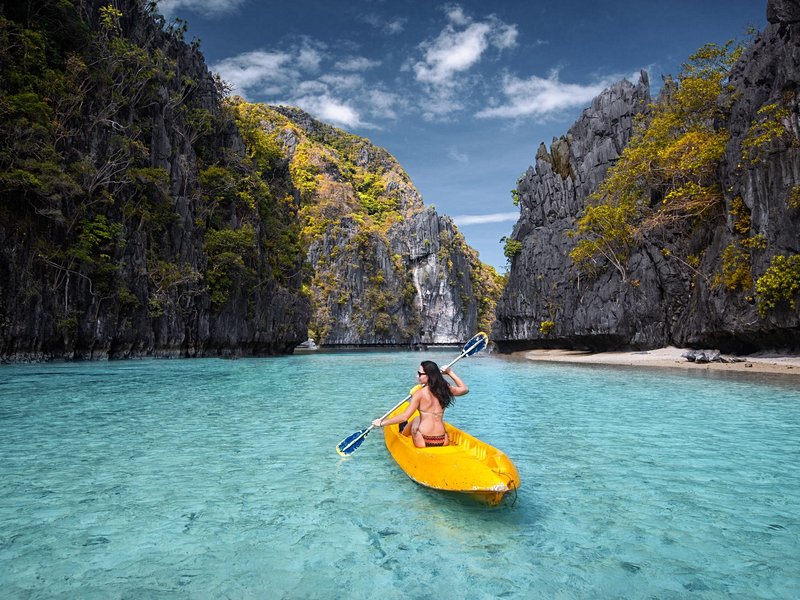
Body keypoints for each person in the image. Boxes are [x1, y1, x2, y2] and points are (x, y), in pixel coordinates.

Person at [372, 361, 468, 447]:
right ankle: (405, 430)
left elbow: (404, 417)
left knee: (415, 420)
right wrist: (450, 372)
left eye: (420, 374)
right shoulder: (445, 389)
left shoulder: (419, 394)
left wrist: (382, 423)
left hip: (423, 440)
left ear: (429, 375)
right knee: (417, 418)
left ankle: (402, 432)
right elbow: (465, 389)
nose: (417, 376)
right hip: (442, 440)